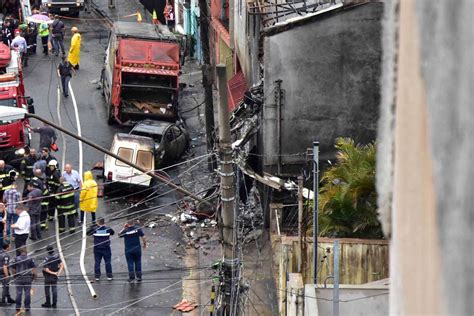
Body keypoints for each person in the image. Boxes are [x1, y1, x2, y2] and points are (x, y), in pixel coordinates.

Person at [12, 247, 36, 313]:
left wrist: (14, 276)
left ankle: (17, 307)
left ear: (20, 252)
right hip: (28, 278)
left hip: (19, 278)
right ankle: (27, 307)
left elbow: (13, 269)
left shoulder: (16, 259)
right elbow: (33, 269)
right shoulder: (30, 259)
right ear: (26, 251)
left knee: (18, 293)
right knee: (27, 293)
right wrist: (34, 277)